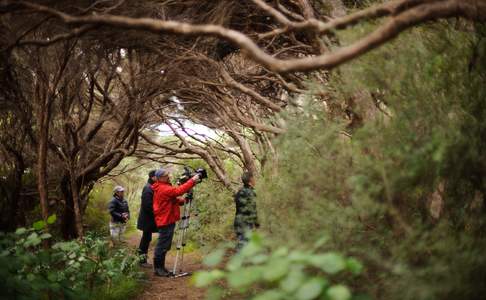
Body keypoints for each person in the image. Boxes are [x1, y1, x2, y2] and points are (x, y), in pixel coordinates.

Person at [151, 168, 201, 277]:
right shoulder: (163, 188)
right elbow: (178, 191)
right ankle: (158, 269)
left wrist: (184, 200)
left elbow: (173, 199)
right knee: (163, 245)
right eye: (166, 175)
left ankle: (160, 267)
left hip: (167, 218)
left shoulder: (162, 187)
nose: (168, 176)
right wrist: (193, 180)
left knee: (164, 244)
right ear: (160, 178)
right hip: (165, 219)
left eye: (167, 174)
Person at [136, 170, 158, 267]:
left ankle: (141, 260)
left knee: (146, 239)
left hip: (148, 219)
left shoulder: (151, 187)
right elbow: (147, 205)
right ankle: (141, 261)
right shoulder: (148, 188)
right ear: (153, 177)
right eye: (157, 176)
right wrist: (157, 213)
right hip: (147, 220)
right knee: (145, 239)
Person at [234, 171, 259, 250]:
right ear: (250, 180)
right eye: (253, 178)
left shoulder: (239, 192)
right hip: (246, 223)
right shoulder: (251, 192)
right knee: (244, 245)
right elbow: (253, 209)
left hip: (238, 221)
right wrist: (256, 223)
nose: (255, 180)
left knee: (241, 244)